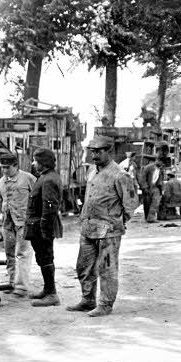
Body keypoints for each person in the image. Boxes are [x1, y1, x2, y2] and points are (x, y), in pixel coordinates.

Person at [68, 134, 138, 318]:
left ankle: (105, 304)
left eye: (98, 152)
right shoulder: (92, 171)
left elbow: (131, 203)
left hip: (108, 231)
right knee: (84, 266)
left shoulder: (120, 175)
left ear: (110, 152)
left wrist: (117, 222)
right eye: (92, 151)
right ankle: (87, 300)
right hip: (89, 227)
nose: (94, 155)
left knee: (106, 269)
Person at [0, 153, 37, 298]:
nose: (5, 170)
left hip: (24, 222)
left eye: (7, 167)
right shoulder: (1, 182)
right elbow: (0, 201)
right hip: (8, 222)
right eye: (2, 167)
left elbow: (38, 196)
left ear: (15, 166)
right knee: (9, 253)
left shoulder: (28, 178)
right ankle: (12, 282)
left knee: (23, 253)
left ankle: (22, 287)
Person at [25, 148, 63, 307]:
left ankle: (52, 294)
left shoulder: (48, 180)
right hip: (39, 226)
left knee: (46, 257)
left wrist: (45, 231)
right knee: (43, 258)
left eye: (36, 161)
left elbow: (49, 208)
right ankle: (48, 290)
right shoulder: (46, 177)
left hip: (42, 226)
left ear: (43, 163)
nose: (33, 164)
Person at [138, 157, 164, 223]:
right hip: (148, 187)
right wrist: (145, 187)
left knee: (155, 202)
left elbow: (161, 179)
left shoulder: (161, 169)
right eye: (160, 162)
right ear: (157, 160)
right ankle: (147, 217)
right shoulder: (148, 167)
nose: (161, 164)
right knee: (147, 203)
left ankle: (151, 218)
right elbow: (142, 178)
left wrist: (161, 188)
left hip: (156, 187)